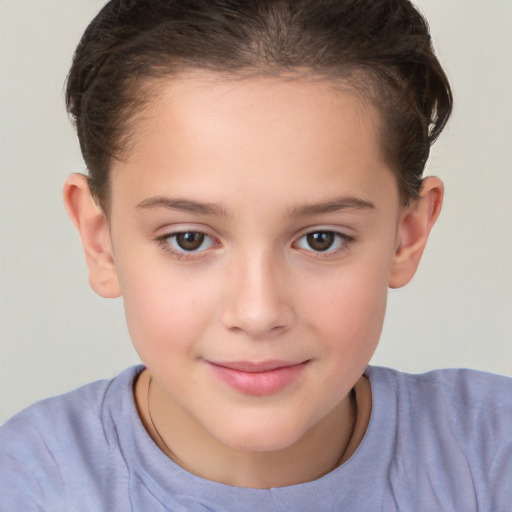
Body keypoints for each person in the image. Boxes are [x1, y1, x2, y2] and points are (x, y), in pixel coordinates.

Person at [0, 0, 511, 510]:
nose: (258, 313)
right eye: (189, 239)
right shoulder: (25, 485)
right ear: (100, 239)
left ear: (407, 235)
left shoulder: (492, 455)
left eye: (321, 239)